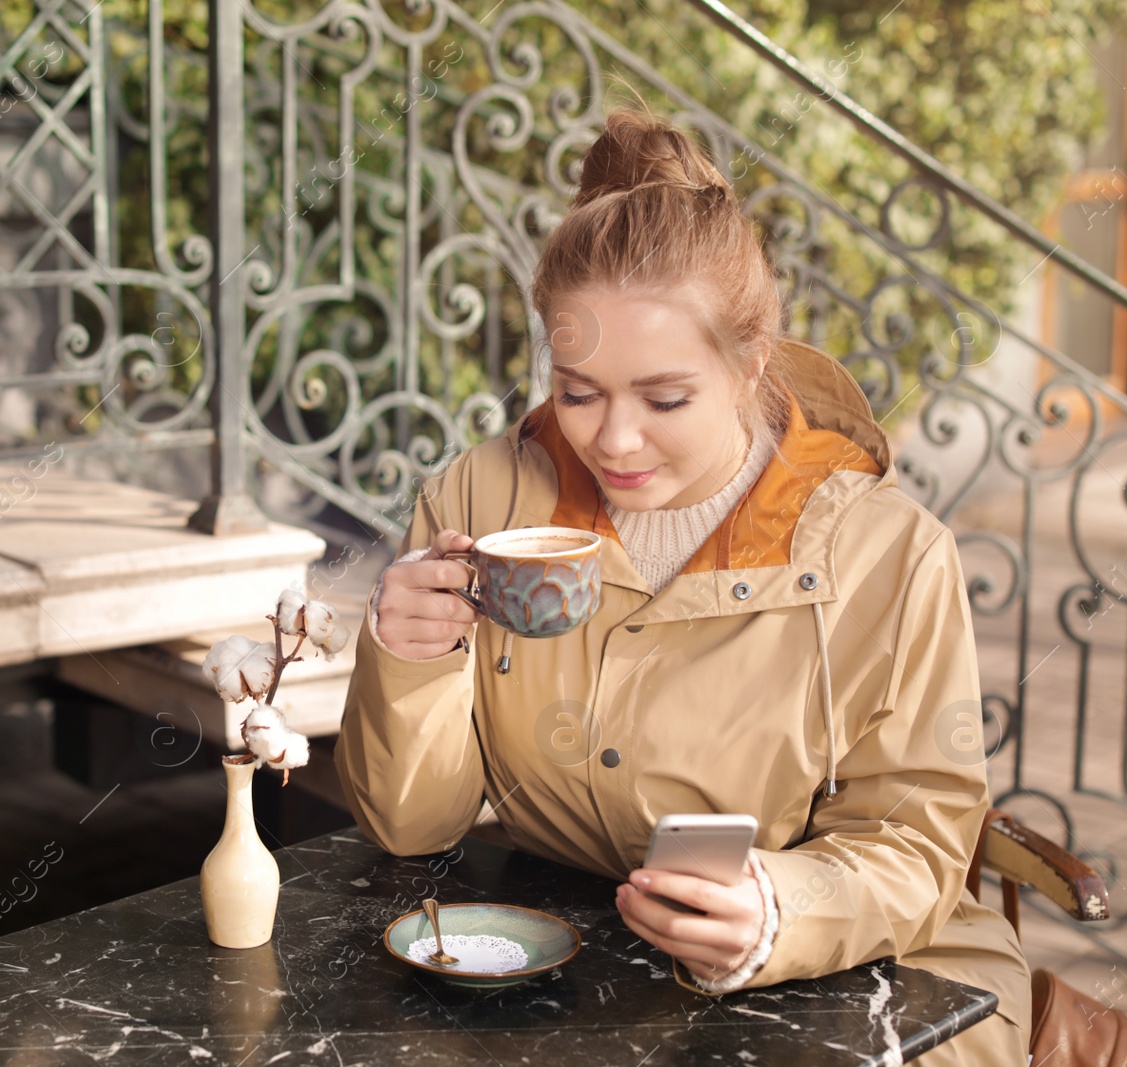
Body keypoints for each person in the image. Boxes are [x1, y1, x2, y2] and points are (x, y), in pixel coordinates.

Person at [334, 107, 1030, 1064]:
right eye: (578, 392)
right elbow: (413, 826)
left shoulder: (889, 553)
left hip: (874, 981)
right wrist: (411, 659)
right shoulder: (479, 496)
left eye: (664, 399)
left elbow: (915, 841)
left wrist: (778, 910)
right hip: (565, 960)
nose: (613, 441)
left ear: (749, 367)